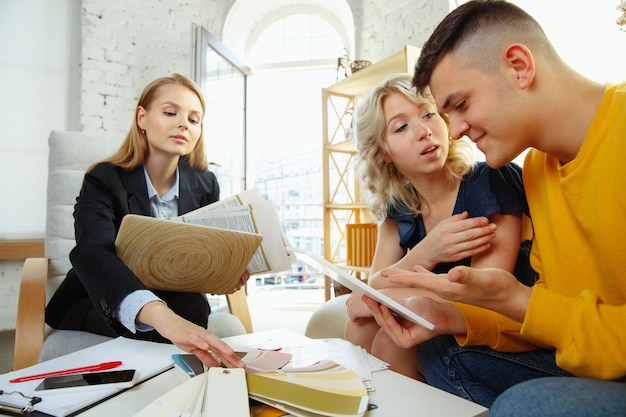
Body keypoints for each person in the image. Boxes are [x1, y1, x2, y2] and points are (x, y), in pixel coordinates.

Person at [362, 1, 626, 414]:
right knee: (435, 350)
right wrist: (457, 318)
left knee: (528, 403)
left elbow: (538, 310)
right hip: (587, 362)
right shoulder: (538, 166)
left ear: (519, 66)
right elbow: (552, 315)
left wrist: (519, 301)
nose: (454, 130)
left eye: (460, 105)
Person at [45, 73, 246, 369]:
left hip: (182, 301)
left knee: (190, 308)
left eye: (194, 119)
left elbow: (205, 252)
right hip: (103, 296)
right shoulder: (102, 178)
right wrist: (162, 317)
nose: (183, 124)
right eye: (170, 112)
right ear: (142, 117)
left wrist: (225, 272)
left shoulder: (205, 182)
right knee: (180, 316)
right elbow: (92, 251)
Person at [345, 73, 536, 381]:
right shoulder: (400, 207)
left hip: (500, 328)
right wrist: (427, 251)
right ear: (383, 153)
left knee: (384, 335)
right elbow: (371, 287)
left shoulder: (490, 180)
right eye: (401, 126)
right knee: (363, 320)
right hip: (443, 320)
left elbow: (484, 295)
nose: (424, 131)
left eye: (429, 114)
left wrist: (384, 295)